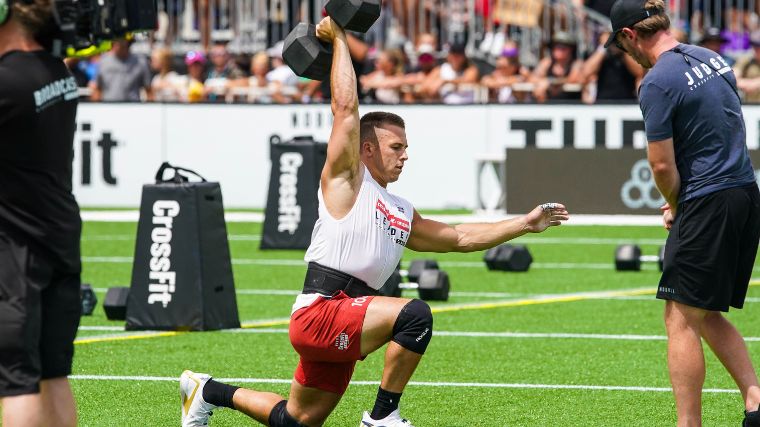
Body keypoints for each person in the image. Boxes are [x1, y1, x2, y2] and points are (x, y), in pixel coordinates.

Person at [180, 16, 569, 427]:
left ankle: (206, 390)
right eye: (396, 147)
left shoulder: (401, 209)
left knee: (296, 421)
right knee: (415, 315)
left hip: (353, 313)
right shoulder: (348, 180)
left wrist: (524, 224)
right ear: (366, 149)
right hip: (323, 311)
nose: (405, 156)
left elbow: (459, 237)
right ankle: (383, 417)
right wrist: (340, 39)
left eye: (407, 148)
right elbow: (345, 108)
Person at [607, 1, 760, 425]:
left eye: (622, 47)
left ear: (629, 35)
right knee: (703, 310)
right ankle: (756, 399)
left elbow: (660, 165)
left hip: (708, 201)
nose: (627, 57)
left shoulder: (657, 81)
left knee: (679, 316)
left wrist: (677, 205)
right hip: (745, 192)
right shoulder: (713, 59)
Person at [0, 0, 82, 426]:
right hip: (57, 238)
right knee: (53, 374)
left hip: (17, 252)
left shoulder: (9, 81)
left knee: (16, 380)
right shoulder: (56, 72)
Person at [91, 37, 152, 101]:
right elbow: (97, 88)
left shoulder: (140, 62)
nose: (120, 44)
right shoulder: (103, 61)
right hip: (109, 107)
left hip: (132, 107)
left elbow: (149, 89)